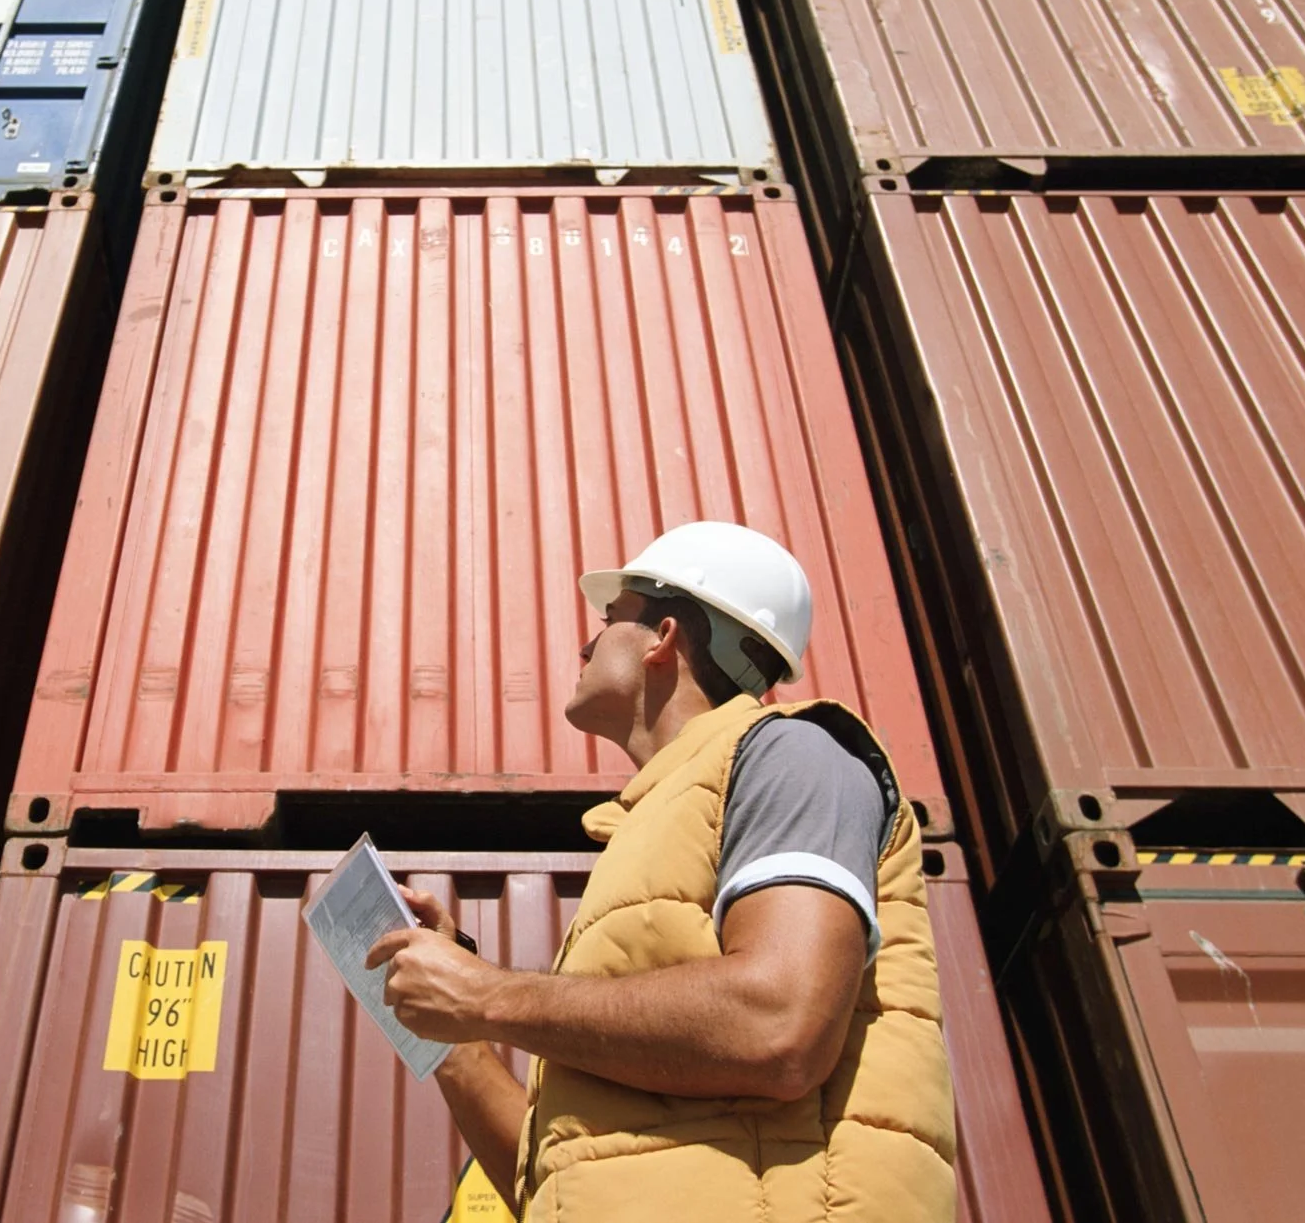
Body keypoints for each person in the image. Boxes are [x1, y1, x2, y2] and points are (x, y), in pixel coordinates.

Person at [366, 522, 955, 1221]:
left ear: (663, 636)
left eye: (610, 617)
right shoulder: (644, 832)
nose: (585, 643)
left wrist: (487, 994)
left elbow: (779, 1024)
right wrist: (453, 1030)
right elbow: (549, 1187)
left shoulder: (795, 755)